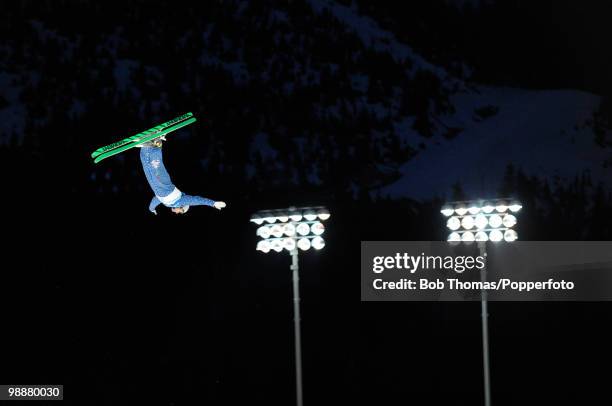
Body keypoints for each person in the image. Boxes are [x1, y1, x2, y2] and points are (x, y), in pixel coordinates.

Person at [138, 137, 226, 215]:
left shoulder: (168, 204)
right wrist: (213, 203)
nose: (178, 213)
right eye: (181, 212)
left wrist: (151, 209)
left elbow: (156, 200)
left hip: (160, 186)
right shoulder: (180, 201)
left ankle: (155, 144)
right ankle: (150, 146)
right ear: (182, 207)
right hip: (164, 185)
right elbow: (196, 200)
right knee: (153, 166)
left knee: (150, 167)